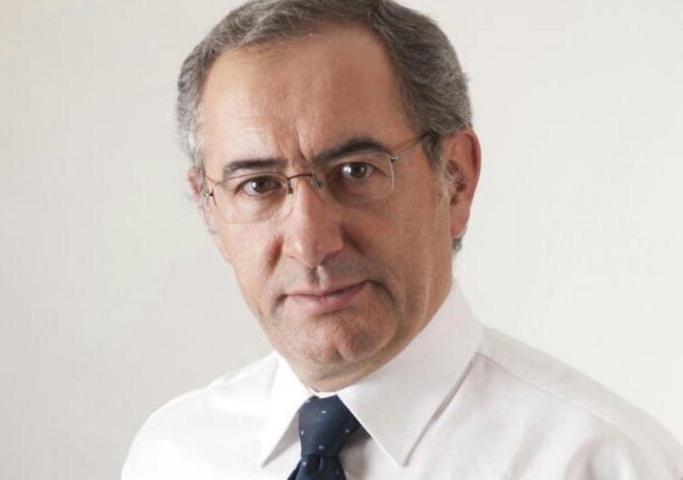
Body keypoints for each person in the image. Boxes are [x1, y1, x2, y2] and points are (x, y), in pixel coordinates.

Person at [122, 0, 683, 478]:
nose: (310, 243)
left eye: (355, 171)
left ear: (455, 179)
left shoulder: (600, 462)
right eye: (258, 185)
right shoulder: (172, 455)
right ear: (209, 209)